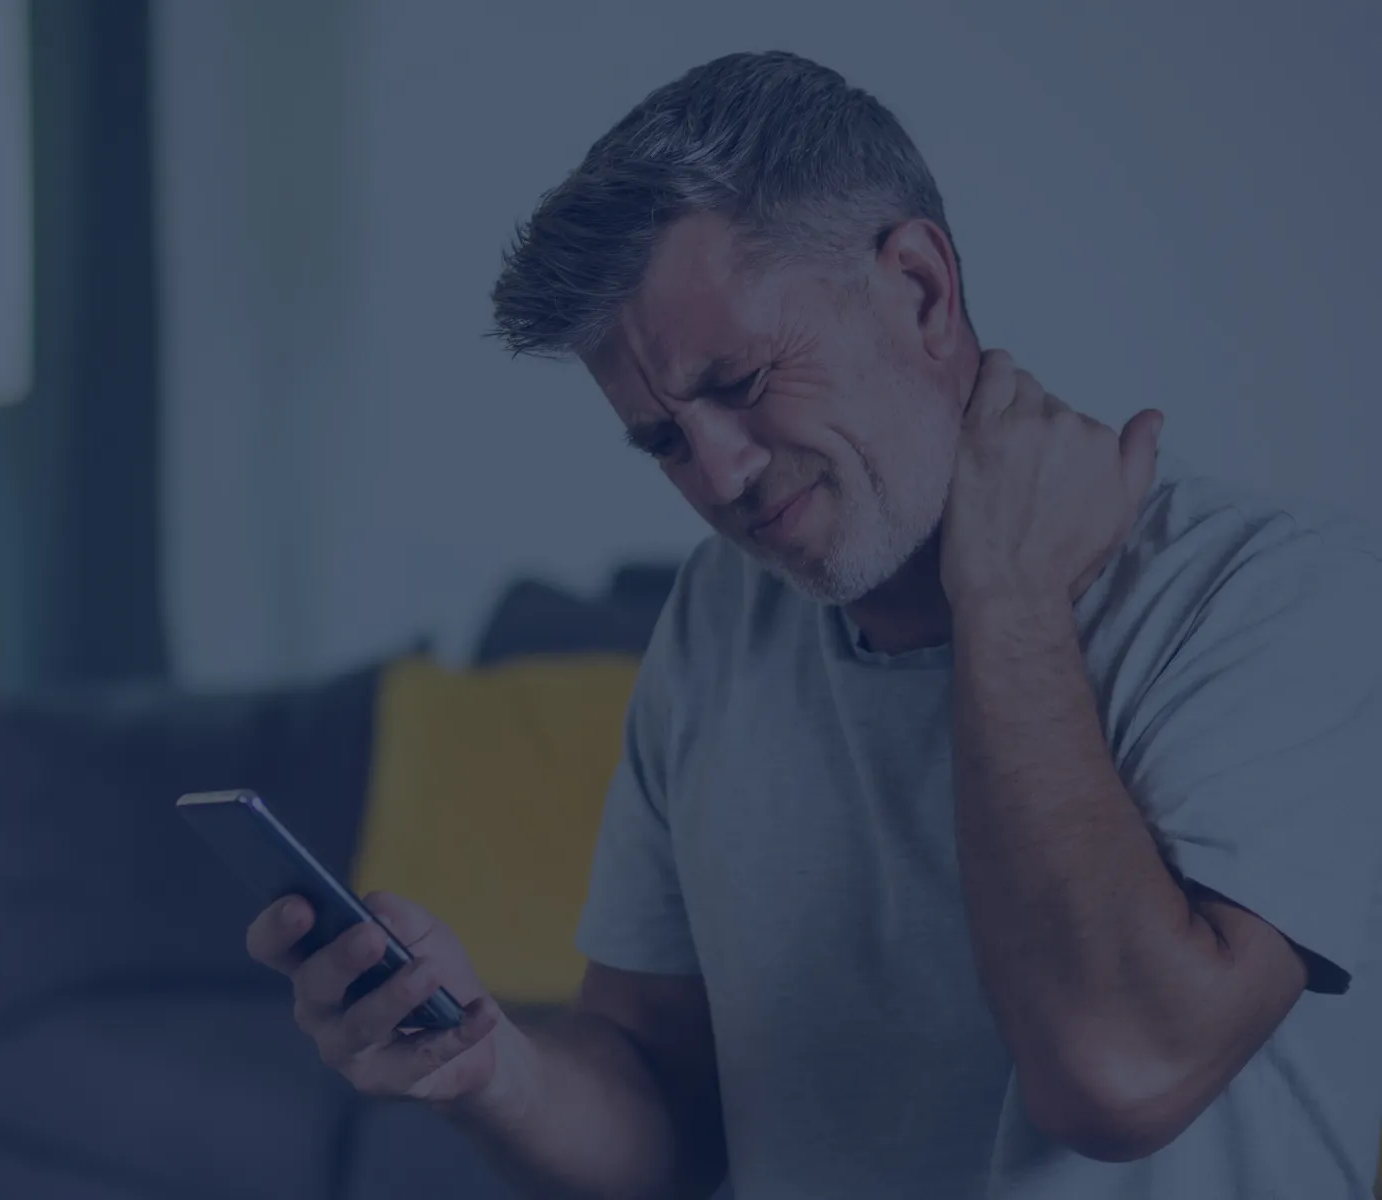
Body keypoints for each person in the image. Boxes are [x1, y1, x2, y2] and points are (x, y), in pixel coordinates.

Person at [247, 50, 1382, 1198]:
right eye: (663, 442)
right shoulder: (716, 617)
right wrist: (491, 1069)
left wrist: (1007, 601)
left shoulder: (1279, 592)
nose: (717, 477)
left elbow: (1117, 1078)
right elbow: (663, 1108)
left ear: (920, 289)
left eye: (741, 382)